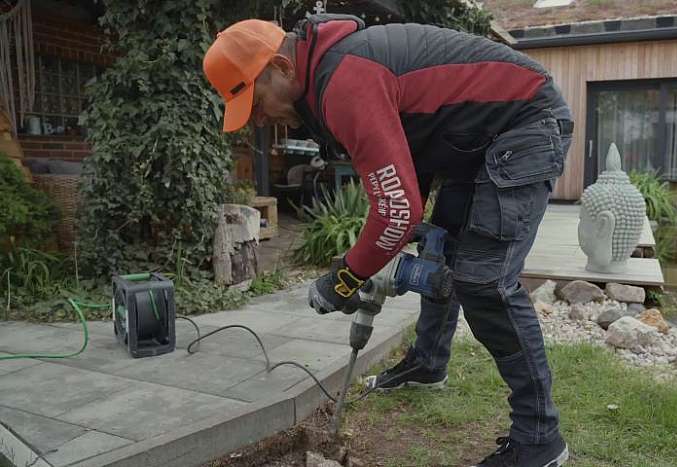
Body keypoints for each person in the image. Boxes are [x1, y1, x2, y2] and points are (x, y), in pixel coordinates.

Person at [203, 15, 573, 467]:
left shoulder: (344, 81)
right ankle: (428, 363)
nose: (258, 119)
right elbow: (406, 169)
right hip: (476, 140)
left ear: (280, 66)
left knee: (484, 282)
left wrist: (343, 277)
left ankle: (540, 440)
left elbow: (397, 211)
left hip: (525, 123)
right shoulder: (326, 80)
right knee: (440, 251)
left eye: (255, 102)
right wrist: (392, 240)